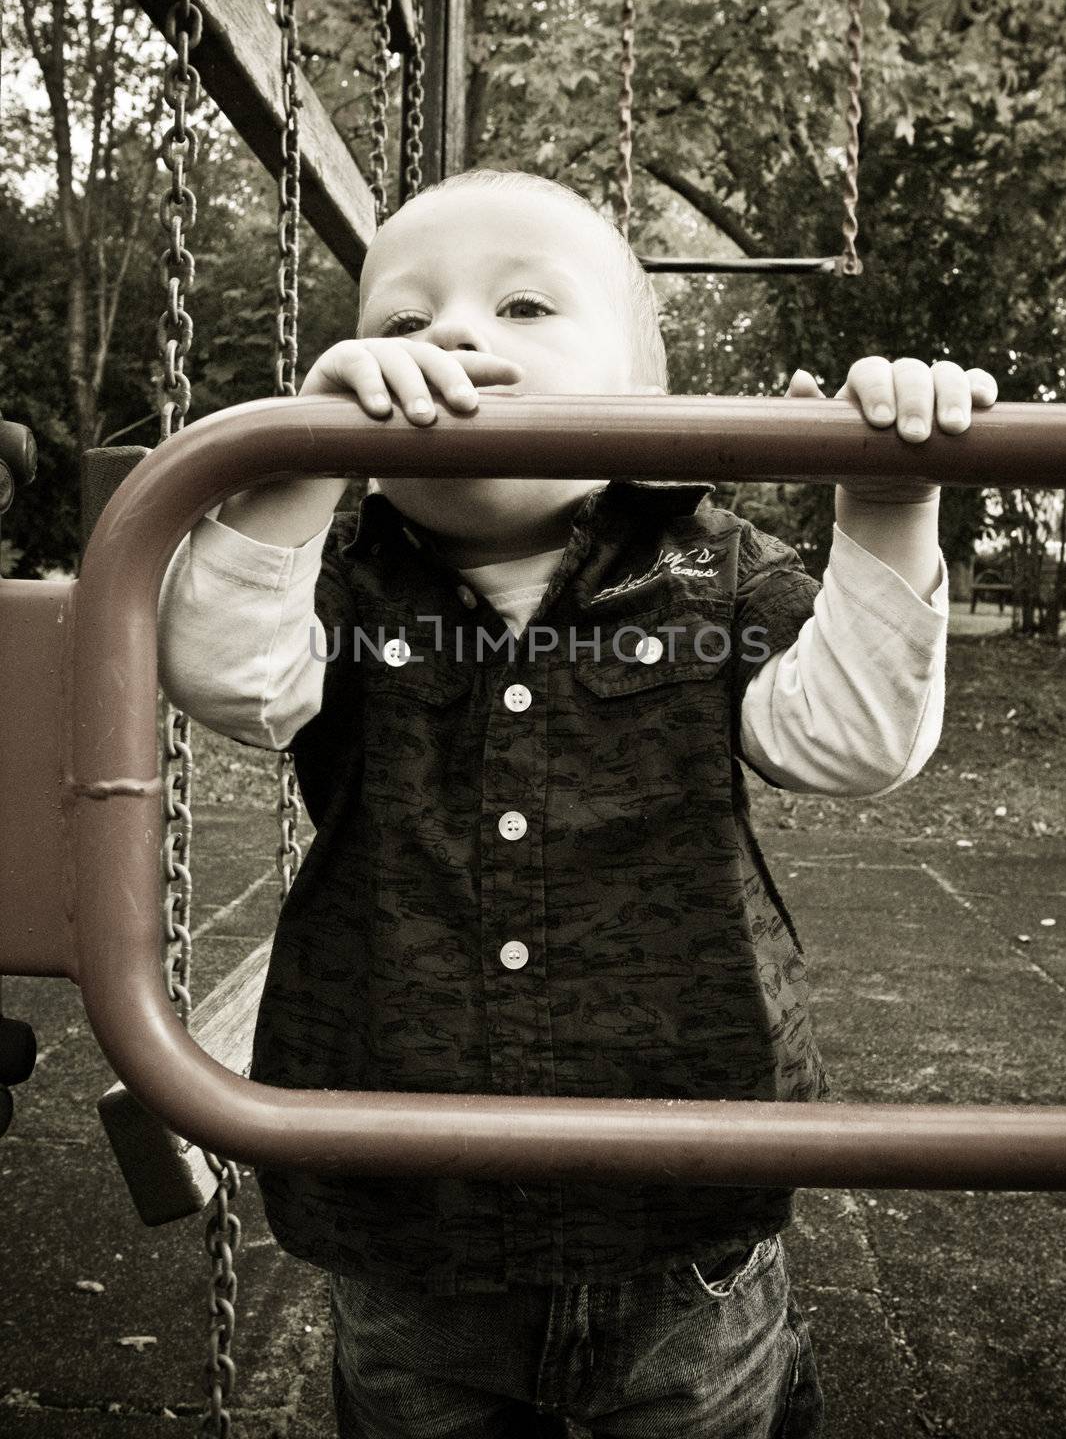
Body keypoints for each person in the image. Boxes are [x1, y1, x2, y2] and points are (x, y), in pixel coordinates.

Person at [158, 167, 997, 1439]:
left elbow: (852, 745)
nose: (449, 336)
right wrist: (293, 459)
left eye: (526, 308)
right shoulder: (335, 576)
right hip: (406, 1220)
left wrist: (885, 504)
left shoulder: (708, 569)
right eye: (398, 323)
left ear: (641, 401)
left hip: (685, 1218)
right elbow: (230, 683)